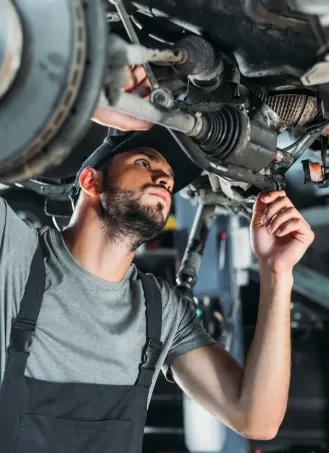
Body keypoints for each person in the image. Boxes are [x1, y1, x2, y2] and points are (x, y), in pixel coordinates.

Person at [0, 67, 314, 453]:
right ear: (90, 181)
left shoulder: (159, 311)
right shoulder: (13, 253)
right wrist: (82, 96)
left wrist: (276, 273)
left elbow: (257, 419)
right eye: (146, 163)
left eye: (168, 177)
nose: (165, 179)